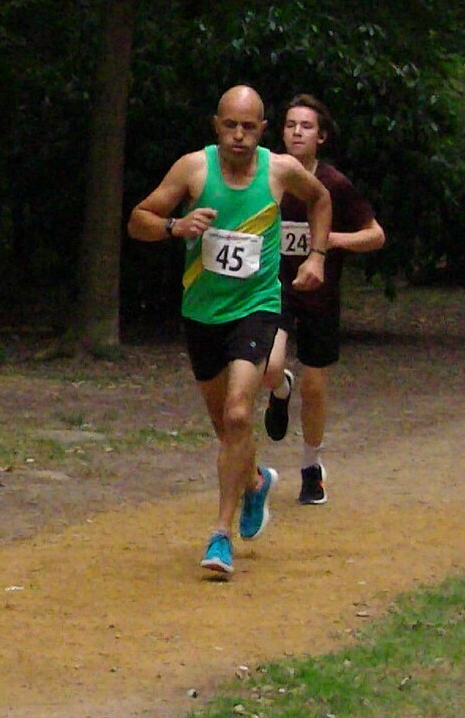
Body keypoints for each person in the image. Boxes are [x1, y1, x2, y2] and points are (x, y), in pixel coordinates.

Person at [126, 85, 331, 576]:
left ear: (262, 130)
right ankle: (256, 482)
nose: (239, 135)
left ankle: (221, 534)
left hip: (257, 307)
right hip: (202, 313)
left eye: (249, 127)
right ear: (216, 125)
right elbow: (138, 220)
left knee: (240, 412)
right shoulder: (193, 169)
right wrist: (176, 227)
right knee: (226, 427)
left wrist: (318, 256)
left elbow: (321, 199)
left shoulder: (280, 170)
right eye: (231, 125)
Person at [262, 94, 385, 504]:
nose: (297, 132)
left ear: (322, 137)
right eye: (290, 124)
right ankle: (280, 390)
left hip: (319, 296)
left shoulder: (334, 185)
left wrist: (329, 240)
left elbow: (375, 235)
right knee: (269, 367)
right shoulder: (268, 176)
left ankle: (311, 467)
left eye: (306, 126)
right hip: (275, 289)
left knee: (314, 388)